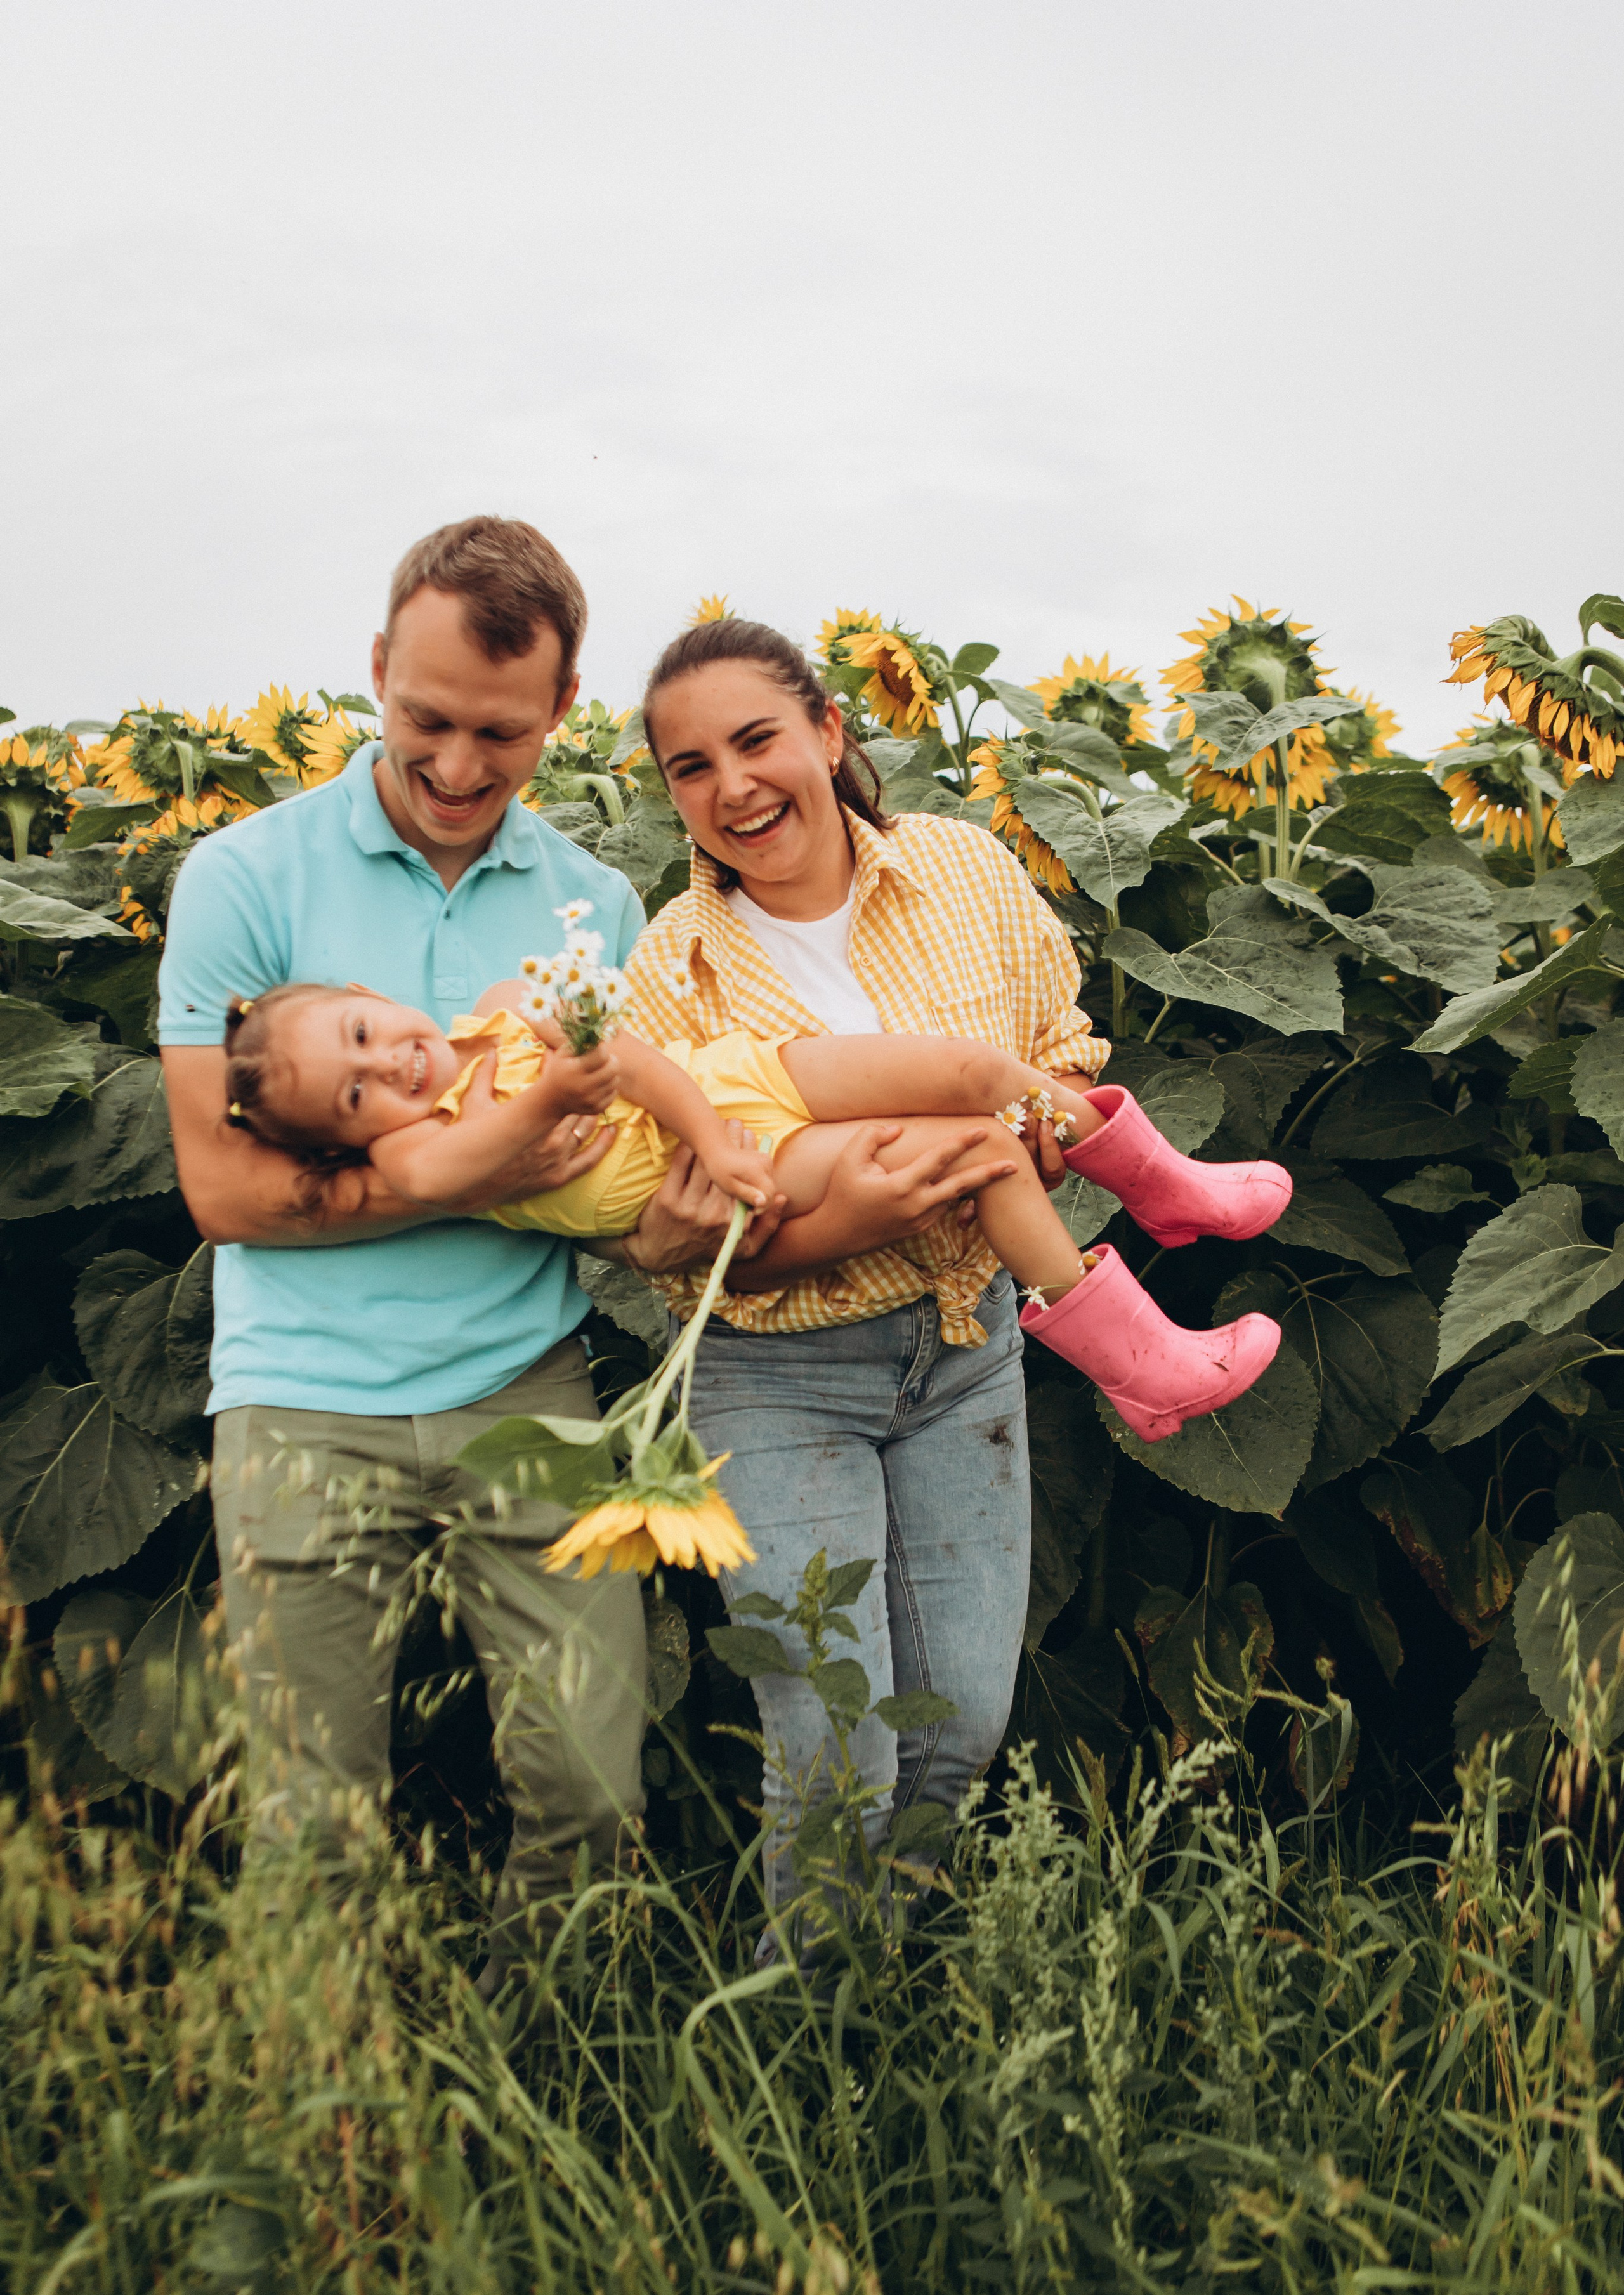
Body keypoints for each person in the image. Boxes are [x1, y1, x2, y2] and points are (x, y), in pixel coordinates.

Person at [157, 517, 776, 1984]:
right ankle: (340, 2136)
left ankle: (538, 2096)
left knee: (588, 1788)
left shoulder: (597, 905)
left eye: (497, 735)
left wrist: (660, 1237)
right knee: (313, 1814)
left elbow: (609, 1184)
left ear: (562, 713)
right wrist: (482, 1166)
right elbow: (222, 1192)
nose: (452, 765)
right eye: (423, 718)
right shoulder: (243, 877)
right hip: (299, 1396)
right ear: (375, 669)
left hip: (529, 1385)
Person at [587, 613, 1273, 1919]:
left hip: (967, 1354)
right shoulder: (666, 974)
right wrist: (860, 1210)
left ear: (828, 732)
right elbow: (679, 1249)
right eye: (688, 766)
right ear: (668, 792)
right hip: (777, 1377)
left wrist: (1044, 1133)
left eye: (755, 741)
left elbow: (1055, 1043)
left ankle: (878, 2012)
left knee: (956, 1725)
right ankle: (800, 2040)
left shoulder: (962, 871)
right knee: (836, 1742)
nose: (731, 786)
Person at [211, 969, 1286, 1443]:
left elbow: (629, 1058)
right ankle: (1141, 1371)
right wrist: (552, 1089)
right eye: (351, 1096)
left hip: (737, 1089)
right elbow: (464, 1168)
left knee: (972, 1072)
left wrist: (714, 1131)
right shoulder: (415, 1152)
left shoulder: (497, 1007)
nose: (383, 1068)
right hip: (757, 1173)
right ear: (351, 1138)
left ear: (369, 992)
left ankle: (1166, 1186)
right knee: (979, 1157)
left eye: (362, 1031)